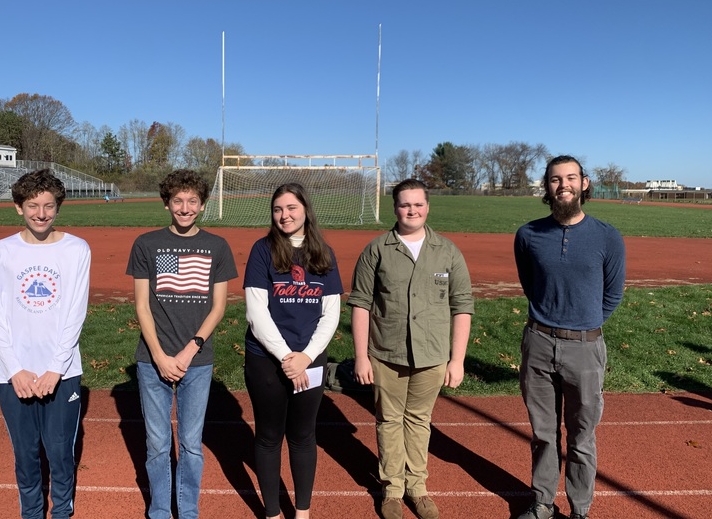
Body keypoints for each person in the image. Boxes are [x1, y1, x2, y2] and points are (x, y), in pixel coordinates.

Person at [348, 178, 474, 519]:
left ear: (428, 207)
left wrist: (457, 359)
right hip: (386, 354)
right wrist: (362, 356)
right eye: (405, 204)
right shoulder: (377, 249)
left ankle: (417, 487)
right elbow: (360, 304)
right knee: (389, 421)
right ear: (395, 208)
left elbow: (462, 306)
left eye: (418, 204)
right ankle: (391, 489)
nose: (412, 210)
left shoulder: (447, 251)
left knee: (419, 421)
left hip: (432, 356)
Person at [513, 155, 626, 519]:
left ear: (585, 183)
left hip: (585, 347)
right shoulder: (528, 235)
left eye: (571, 178)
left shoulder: (608, 236)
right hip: (539, 343)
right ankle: (543, 503)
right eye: (556, 179)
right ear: (547, 187)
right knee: (543, 434)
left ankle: (580, 510)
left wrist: (585, 324)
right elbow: (531, 285)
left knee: (581, 437)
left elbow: (613, 294)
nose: (564, 185)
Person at [126, 169, 238, 519]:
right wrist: (160, 356)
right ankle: (159, 510)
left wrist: (190, 351)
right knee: (158, 444)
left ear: (202, 205)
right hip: (152, 360)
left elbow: (219, 307)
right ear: (166, 204)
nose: (185, 207)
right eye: (178, 201)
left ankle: (187, 511)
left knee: (191, 444)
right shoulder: (147, 244)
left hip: (198, 363)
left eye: (192, 201)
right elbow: (142, 305)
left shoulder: (217, 246)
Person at [0, 168, 91, 519]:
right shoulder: (0, 252)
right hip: (14, 375)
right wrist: (15, 370)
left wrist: (55, 369)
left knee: (60, 453)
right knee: (26, 455)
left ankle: (61, 512)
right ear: (18, 207)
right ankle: (30, 513)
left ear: (58, 207)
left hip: (62, 373)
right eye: (32, 206)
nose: (41, 214)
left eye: (48, 206)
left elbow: (76, 312)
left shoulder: (76, 249)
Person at [243, 183, 343, 519]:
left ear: (305, 211)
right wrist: (288, 357)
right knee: (269, 436)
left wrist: (306, 357)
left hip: (310, 361)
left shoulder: (323, 253)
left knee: (302, 435)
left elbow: (331, 313)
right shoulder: (262, 250)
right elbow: (256, 313)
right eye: (277, 209)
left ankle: (302, 513)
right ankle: (272, 513)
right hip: (267, 360)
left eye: (291, 208)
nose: (284, 216)